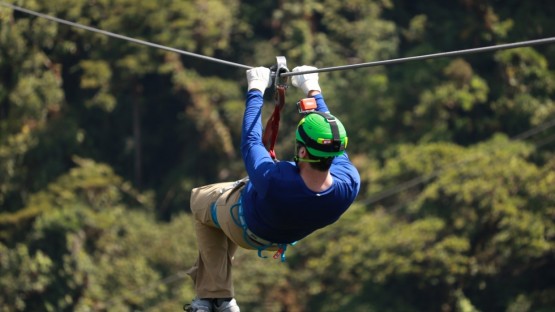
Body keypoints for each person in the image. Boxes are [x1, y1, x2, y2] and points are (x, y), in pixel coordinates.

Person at [184, 65, 361, 312]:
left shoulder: (275, 179)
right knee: (221, 210)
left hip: (243, 226)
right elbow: (333, 142)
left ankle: (216, 296)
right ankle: (210, 298)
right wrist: (312, 89)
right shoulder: (348, 184)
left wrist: (255, 89)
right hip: (280, 237)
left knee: (200, 200)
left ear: (301, 151)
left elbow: (251, 141)